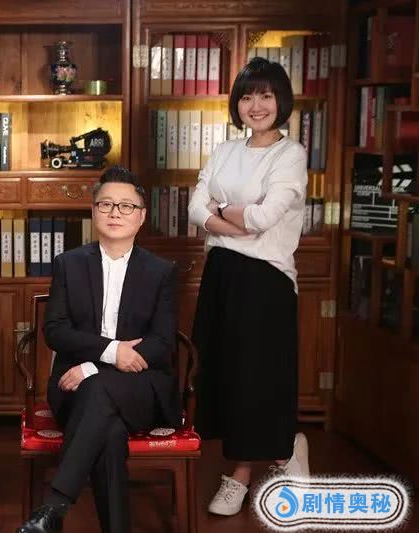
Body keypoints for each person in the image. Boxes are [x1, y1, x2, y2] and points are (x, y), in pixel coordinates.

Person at [17, 166, 180, 533]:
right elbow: (55, 331)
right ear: (93, 212)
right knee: (109, 431)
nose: (115, 213)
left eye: (126, 206)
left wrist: (94, 365)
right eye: (106, 204)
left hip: (140, 390)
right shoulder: (69, 264)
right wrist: (111, 351)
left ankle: (53, 508)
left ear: (141, 216)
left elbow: (162, 342)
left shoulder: (161, 271)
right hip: (74, 390)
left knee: (98, 389)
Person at [188, 57, 310, 517]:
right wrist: (235, 219)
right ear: (236, 104)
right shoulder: (225, 151)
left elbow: (266, 216)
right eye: (246, 96)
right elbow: (195, 209)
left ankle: (243, 473)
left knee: (255, 378)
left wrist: (222, 213)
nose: (255, 105)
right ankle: (283, 449)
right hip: (221, 273)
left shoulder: (290, 154)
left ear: (281, 101)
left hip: (266, 279)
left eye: (265, 95)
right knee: (219, 373)